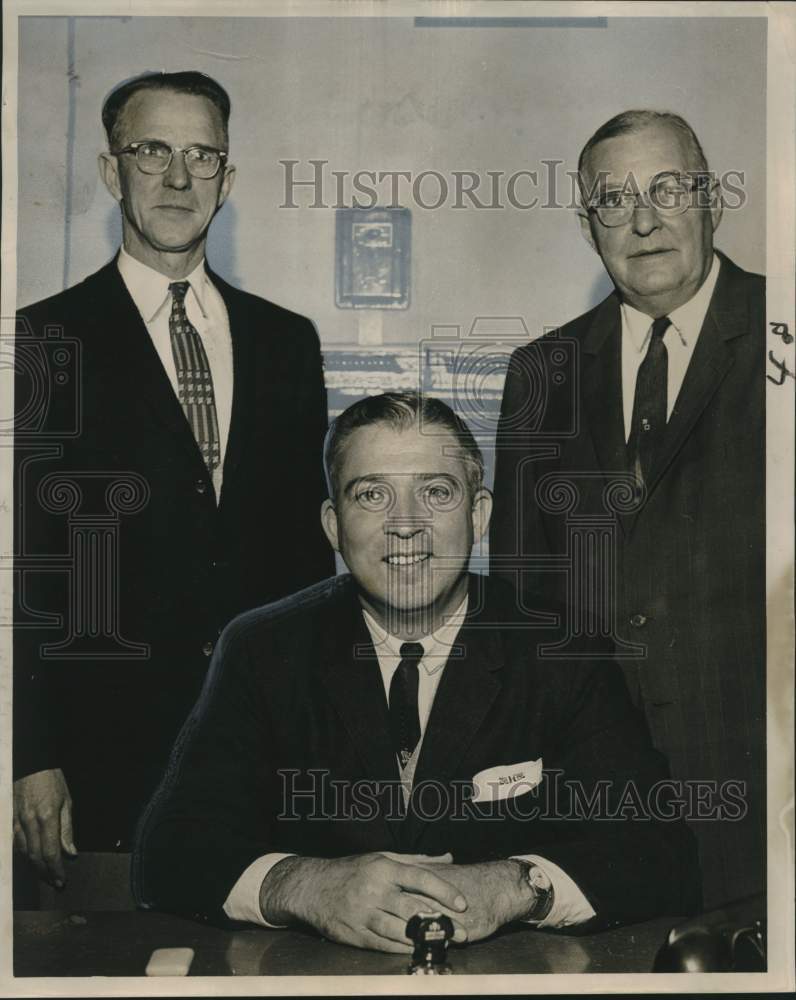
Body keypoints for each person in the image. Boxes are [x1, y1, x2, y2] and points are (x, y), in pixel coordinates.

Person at [134, 392, 698, 953]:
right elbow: (168, 853)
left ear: (479, 515)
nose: (405, 524)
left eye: (436, 492)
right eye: (372, 494)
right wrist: (306, 886)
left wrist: (516, 886)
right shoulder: (263, 649)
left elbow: (661, 853)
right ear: (333, 525)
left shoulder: (562, 651)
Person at [13, 71, 333, 887]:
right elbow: (23, 565)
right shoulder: (42, 341)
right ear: (110, 171)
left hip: (263, 752)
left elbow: (308, 560)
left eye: (202, 155)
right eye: (152, 151)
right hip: (102, 755)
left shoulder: (286, 342)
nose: (179, 178)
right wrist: (29, 755)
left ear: (228, 178)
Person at [490, 110, 765, 909]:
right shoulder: (542, 372)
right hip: (599, 811)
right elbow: (522, 606)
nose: (643, 221)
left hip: (765, 791)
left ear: (712, 199)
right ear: (588, 227)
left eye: (668, 189)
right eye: (613, 199)